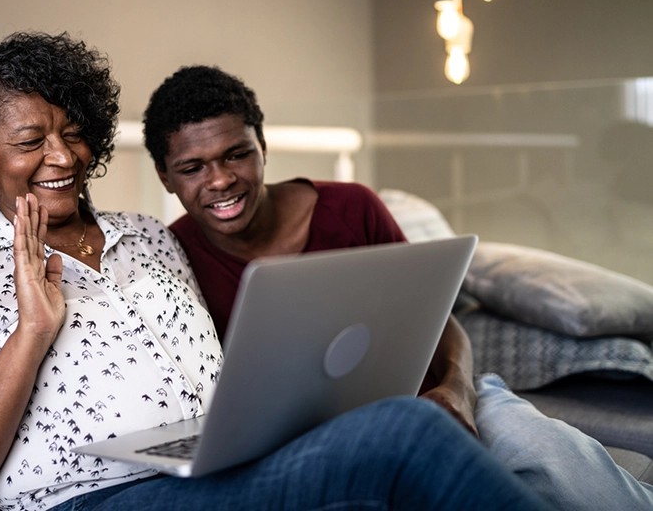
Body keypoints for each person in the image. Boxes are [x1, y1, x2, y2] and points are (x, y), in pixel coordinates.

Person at [0, 31, 554, 511]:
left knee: (409, 426)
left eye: (73, 132)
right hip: (93, 498)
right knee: (406, 435)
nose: (62, 156)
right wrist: (31, 331)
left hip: (224, 470)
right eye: (31, 141)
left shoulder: (150, 239)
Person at [142, 64, 653, 511]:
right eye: (192, 167)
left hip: (437, 399)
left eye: (237, 155)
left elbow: (437, 319)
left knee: (548, 454)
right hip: (324, 441)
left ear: (263, 147)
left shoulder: (353, 208)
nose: (220, 180)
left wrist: (456, 390)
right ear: (166, 177)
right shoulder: (173, 256)